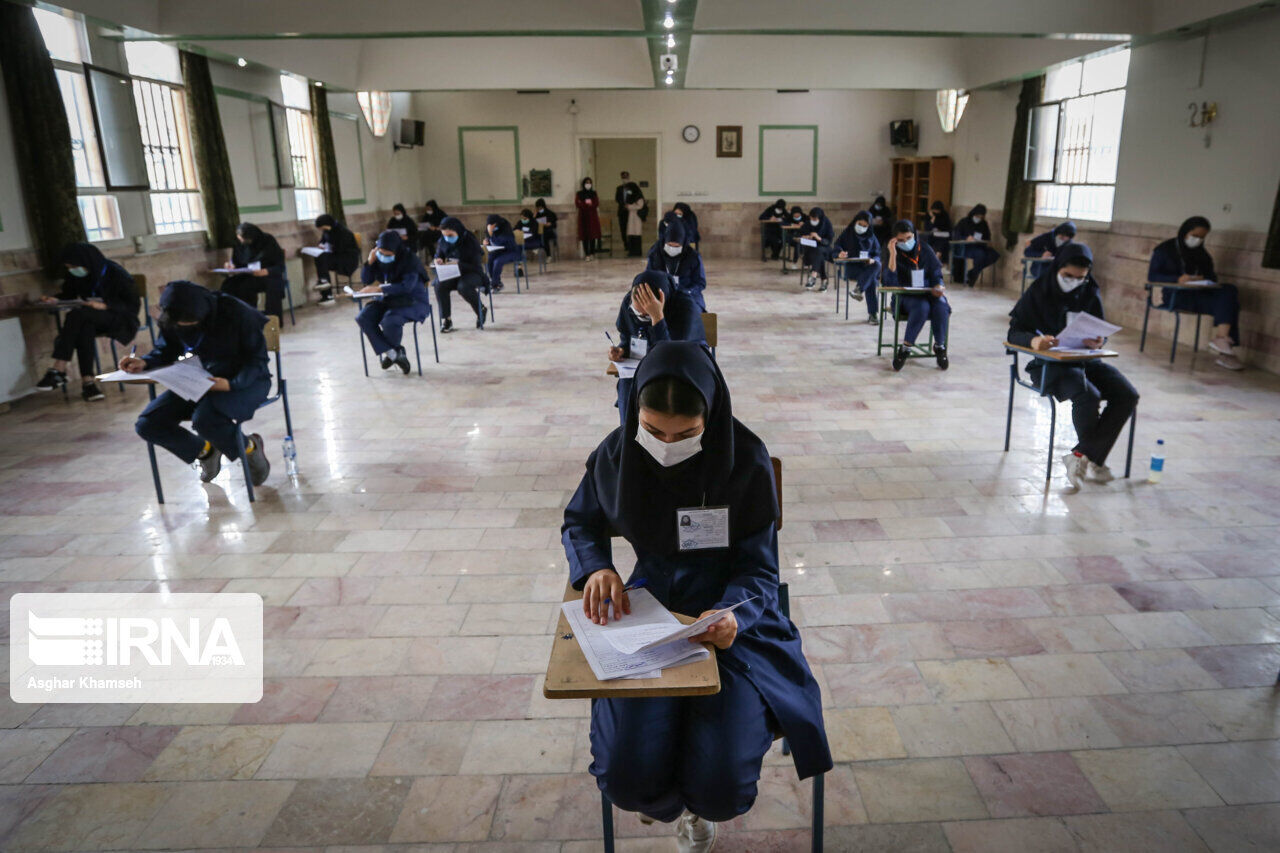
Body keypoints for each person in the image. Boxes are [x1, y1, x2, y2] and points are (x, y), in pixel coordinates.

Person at [562, 341, 831, 850]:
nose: (667, 444)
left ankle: (697, 808)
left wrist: (732, 615)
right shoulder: (618, 454)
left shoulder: (743, 458)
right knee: (626, 777)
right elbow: (580, 522)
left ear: (711, 415)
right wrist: (596, 567)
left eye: (685, 434)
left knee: (722, 787)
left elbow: (759, 568)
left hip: (731, 620)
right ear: (635, 412)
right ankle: (671, 805)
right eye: (653, 430)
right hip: (649, 611)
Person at [1009, 244, 1139, 488]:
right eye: (1068, 276)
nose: (1074, 282)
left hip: (1085, 360)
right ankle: (1092, 458)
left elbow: (1099, 330)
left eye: (1080, 278)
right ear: (1058, 268)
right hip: (1049, 365)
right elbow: (1014, 332)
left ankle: (1082, 455)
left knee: (1127, 395)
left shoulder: (1089, 291)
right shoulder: (1039, 290)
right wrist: (1034, 341)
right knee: (1089, 395)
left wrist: (1098, 341)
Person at [126, 280, 271, 487]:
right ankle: (206, 452)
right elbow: (166, 350)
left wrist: (231, 384)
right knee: (148, 424)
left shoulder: (236, 313)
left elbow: (257, 361)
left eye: (192, 323)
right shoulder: (174, 315)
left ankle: (249, 448)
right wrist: (144, 362)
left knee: (205, 420)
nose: (187, 328)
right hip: (203, 379)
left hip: (246, 381)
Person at [34, 243, 142, 401]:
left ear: (86, 261)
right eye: (69, 267)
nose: (72, 270)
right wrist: (55, 299)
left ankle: (59, 368)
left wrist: (105, 305)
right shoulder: (77, 275)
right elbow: (69, 294)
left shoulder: (116, 273)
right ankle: (88, 384)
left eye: (74, 266)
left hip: (119, 318)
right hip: (91, 318)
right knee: (84, 326)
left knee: (78, 316)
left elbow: (132, 305)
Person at [608, 270, 706, 423]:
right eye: (637, 313)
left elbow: (671, 356)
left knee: (663, 394)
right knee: (627, 386)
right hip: (644, 367)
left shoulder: (685, 308)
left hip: (682, 370)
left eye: (646, 314)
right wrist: (622, 350)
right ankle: (628, 433)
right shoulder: (630, 302)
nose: (641, 318)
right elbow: (628, 337)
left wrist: (657, 318)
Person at [1147, 215, 1243, 371]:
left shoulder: (1202, 254)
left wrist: (1201, 279)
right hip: (1177, 297)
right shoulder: (1165, 249)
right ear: (1185, 232)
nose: (1197, 240)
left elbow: (1212, 277)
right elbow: (1153, 276)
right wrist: (1177, 279)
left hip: (1198, 295)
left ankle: (1222, 339)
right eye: (1195, 236)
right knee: (1230, 305)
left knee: (1229, 291)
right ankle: (1225, 351)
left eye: (1202, 238)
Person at [355, 231, 432, 374]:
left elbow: (407, 287)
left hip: (413, 301)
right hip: (389, 299)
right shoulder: (377, 258)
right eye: (381, 253)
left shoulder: (409, 260)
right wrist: (369, 262)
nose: (384, 257)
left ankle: (392, 353)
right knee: (363, 317)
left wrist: (380, 288)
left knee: (389, 320)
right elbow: (366, 280)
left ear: (396, 251)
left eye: (388, 254)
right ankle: (394, 354)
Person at [884, 220, 949, 372]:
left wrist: (939, 285)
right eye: (901, 240)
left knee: (941, 304)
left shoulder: (925, 249)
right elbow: (889, 282)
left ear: (914, 235)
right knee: (921, 307)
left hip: (927, 292)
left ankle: (940, 346)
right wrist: (893, 254)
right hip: (904, 296)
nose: (906, 242)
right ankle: (906, 348)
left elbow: (936, 273)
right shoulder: (891, 251)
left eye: (909, 238)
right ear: (894, 239)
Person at [220, 223, 287, 323]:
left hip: (268, 276)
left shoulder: (267, 241)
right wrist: (231, 265)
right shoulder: (239, 244)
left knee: (273, 286)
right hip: (249, 276)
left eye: (245, 240)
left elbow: (280, 266)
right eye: (240, 240)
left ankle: (273, 322)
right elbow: (236, 262)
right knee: (229, 285)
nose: (243, 242)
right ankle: (239, 319)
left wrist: (266, 271)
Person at [431, 216, 487, 332]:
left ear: (458, 230)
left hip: (472, 273)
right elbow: (439, 254)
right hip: (453, 273)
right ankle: (447, 320)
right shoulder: (443, 241)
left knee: (463, 287)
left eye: (450, 235)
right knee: (439, 284)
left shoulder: (470, 241)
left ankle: (480, 309)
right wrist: (438, 259)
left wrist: (459, 264)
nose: (447, 238)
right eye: (445, 235)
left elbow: (476, 266)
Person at [645, 217, 707, 312]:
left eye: (677, 246)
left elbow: (700, 282)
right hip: (661, 295)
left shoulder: (693, 257)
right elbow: (648, 278)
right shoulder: (655, 254)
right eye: (670, 245)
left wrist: (688, 291)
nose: (672, 248)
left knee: (689, 312)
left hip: (688, 295)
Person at [832, 211, 882, 324]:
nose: (862, 228)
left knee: (876, 265)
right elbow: (837, 246)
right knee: (871, 281)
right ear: (855, 222)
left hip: (867, 268)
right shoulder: (847, 233)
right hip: (853, 268)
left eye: (865, 226)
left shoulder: (871, 236)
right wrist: (840, 253)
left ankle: (859, 289)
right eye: (860, 224)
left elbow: (877, 254)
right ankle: (873, 314)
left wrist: (873, 259)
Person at [310, 213, 360, 306]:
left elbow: (340, 249)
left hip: (347, 259)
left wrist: (328, 248)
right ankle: (325, 289)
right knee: (320, 258)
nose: (321, 230)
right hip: (336, 257)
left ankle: (326, 290)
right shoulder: (327, 231)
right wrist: (321, 245)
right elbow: (323, 241)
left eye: (322, 228)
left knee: (322, 260)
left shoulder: (343, 232)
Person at [951, 203, 999, 285]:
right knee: (980, 254)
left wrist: (987, 242)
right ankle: (973, 276)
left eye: (981, 217)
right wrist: (966, 238)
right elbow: (956, 235)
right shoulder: (964, 222)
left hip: (980, 246)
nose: (979, 219)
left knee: (994, 255)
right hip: (966, 247)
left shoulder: (983, 224)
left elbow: (987, 237)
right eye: (977, 216)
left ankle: (972, 273)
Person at [481, 214, 520, 293]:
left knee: (497, 261)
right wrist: (486, 241)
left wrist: (491, 234)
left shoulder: (505, 227)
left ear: (496, 223)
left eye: (492, 225)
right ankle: (497, 283)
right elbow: (490, 241)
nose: (490, 227)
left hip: (511, 251)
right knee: (489, 259)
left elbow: (500, 242)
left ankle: (493, 284)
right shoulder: (490, 227)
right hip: (499, 251)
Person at [800, 206, 835, 292]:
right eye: (811, 218)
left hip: (825, 248)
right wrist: (806, 236)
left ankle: (813, 276)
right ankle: (824, 280)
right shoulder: (808, 223)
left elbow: (829, 241)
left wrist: (819, 238)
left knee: (818, 251)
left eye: (815, 219)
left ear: (820, 218)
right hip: (812, 249)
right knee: (818, 254)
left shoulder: (826, 224)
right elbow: (800, 233)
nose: (813, 221)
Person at [576, 178, 602, 261]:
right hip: (583, 217)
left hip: (592, 217)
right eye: (587, 183)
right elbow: (578, 203)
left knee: (593, 235)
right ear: (583, 184)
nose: (588, 184)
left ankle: (592, 253)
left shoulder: (593, 193)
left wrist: (590, 205)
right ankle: (587, 254)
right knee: (585, 236)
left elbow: (596, 203)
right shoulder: (579, 194)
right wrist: (586, 205)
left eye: (590, 183)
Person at [623, 182, 647, 258]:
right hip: (631, 217)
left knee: (637, 234)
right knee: (631, 234)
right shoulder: (630, 196)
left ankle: (637, 251)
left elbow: (640, 206)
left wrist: (630, 206)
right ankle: (631, 251)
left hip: (637, 217)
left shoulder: (639, 196)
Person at [615, 171, 633, 246]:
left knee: (631, 228)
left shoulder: (632, 188)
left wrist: (629, 204)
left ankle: (631, 243)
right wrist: (623, 204)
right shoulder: (619, 188)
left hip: (631, 211)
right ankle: (625, 243)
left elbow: (634, 197)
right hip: (622, 211)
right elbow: (617, 199)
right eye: (623, 177)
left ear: (629, 177)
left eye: (626, 177)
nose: (625, 179)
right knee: (623, 229)